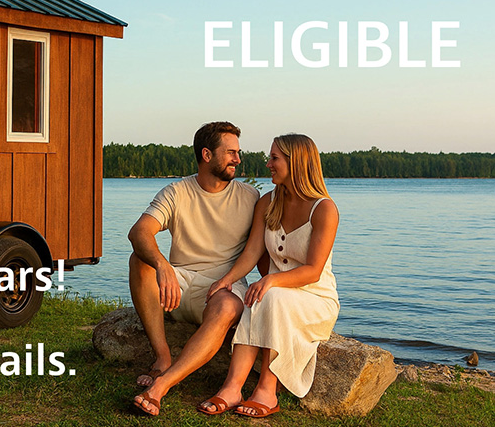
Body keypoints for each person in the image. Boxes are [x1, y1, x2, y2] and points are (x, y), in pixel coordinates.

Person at [196, 133, 339, 418]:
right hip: (274, 294)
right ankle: (232, 388)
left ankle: (266, 390)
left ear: (295, 162)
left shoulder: (324, 209)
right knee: (260, 296)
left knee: (267, 293)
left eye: (274, 158)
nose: (268, 163)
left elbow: (313, 271)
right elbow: (251, 253)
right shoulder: (267, 202)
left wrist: (271, 279)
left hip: (315, 298)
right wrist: (226, 280)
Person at [130, 121, 260, 416]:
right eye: (230, 153)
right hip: (180, 282)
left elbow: (263, 248)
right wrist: (162, 265)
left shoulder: (250, 198)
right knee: (139, 260)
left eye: (238, 152)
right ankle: (162, 356)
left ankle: (160, 387)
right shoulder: (177, 191)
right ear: (206, 154)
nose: (238, 159)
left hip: (223, 286)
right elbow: (139, 232)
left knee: (228, 307)